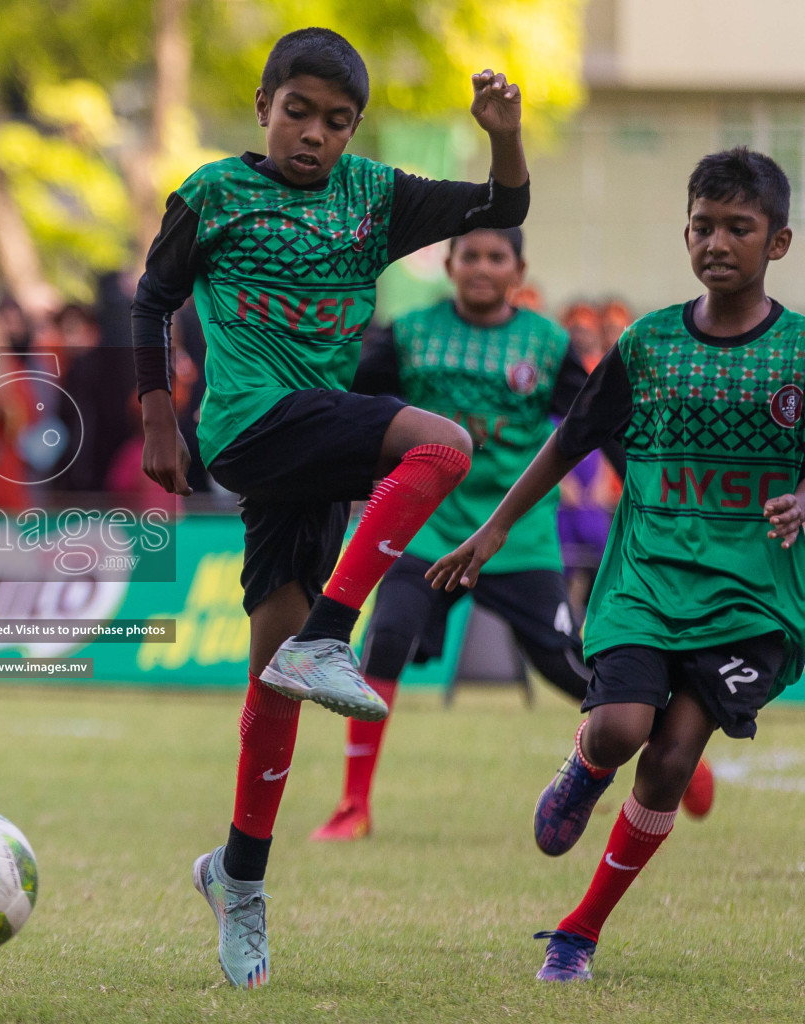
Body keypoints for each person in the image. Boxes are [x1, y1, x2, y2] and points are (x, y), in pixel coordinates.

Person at [131, 27, 529, 989]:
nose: (314, 134)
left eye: (337, 121)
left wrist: (503, 134)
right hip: (249, 426)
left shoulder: (376, 198)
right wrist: (156, 422)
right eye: (298, 112)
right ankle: (333, 634)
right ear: (264, 105)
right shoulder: (215, 193)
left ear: (354, 130)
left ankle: (239, 879)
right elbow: (152, 300)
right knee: (445, 444)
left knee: (273, 687)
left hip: (313, 449)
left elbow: (505, 203)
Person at [428, 148, 804, 983]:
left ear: (777, 242)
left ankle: (579, 932)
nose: (717, 242)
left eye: (739, 228)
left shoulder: (800, 353)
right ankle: (586, 762)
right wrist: (490, 533)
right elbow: (571, 439)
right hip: (645, 576)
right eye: (703, 226)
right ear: (685, 232)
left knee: (672, 758)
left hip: (753, 596)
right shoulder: (649, 343)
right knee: (622, 729)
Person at [312, 227, 711, 842]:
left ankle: (671, 740)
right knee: (384, 639)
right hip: (428, 531)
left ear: (518, 269)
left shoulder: (547, 345)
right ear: (449, 263)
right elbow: (347, 396)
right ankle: (353, 806)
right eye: (469, 254)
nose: (481, 266)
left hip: (516, 537)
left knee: (567, 667)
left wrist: (648, 492)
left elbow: (598, 423)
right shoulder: (410, 334)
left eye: (496, 256)